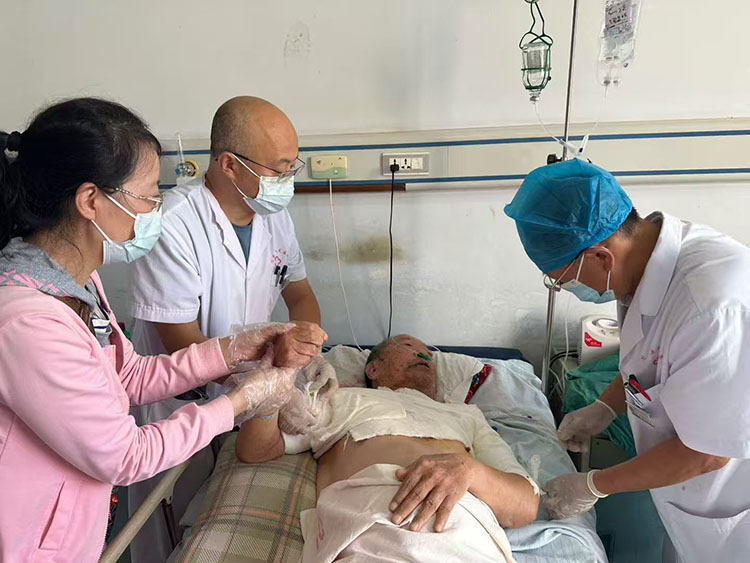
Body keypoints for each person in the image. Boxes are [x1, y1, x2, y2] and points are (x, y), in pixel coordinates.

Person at [0, 98, 321, 562]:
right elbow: (126, 456)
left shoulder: (77, 281)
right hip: (28, 541)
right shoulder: (29, 321)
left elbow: (128, 375)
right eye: (149, 196)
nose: (156, 208)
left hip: (71, 525)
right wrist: (242, 401)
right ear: (91, 201)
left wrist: (234, 350)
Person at [504, 158, 750, 563]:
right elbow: (651, 359)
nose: (568, 288)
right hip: (691, 502)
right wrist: (603, 408)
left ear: (601, 257)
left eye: (563, 279)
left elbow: (707, 453)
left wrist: (596, 484)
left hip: (733, 512)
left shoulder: (710, 306)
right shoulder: (644, 270)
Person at [126, 96, 324, 561]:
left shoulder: (275, 218)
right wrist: (268, 380)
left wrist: (305, 343)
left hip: (249, 392)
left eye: (292, 166)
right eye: (279, 169)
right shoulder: (173, 225)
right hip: (181, 403)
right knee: (171, 532)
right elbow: (183, 347)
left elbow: (300, 294)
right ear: (230, 164)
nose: (287, 180)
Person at [237, 335, 540, 563]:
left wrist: (470, 471)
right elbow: (258, 449)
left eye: (429, 354)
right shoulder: (340, 398)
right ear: (373, 367)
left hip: (466, 535)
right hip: (372, 529)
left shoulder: (467, 415)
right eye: (407, 345)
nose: (424, 355)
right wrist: (272, 389)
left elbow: (525, 505)